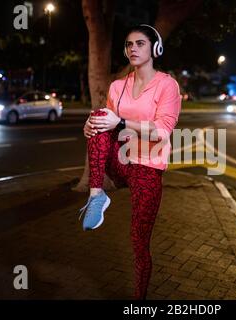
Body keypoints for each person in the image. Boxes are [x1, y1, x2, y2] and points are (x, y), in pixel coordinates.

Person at [79, 24, 181, 300]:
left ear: (155, 49)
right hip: (121, 160)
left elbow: (162, 131)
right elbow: (107, 125)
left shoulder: (167, 85)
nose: (132, 48)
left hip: (148, 168)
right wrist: (90, 126)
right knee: (100, 115)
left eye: (140, 43)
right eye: (128, 44)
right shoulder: (117, 86)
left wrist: (122, 121)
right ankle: (96, 195)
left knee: (139, 242)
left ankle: (139, 299)